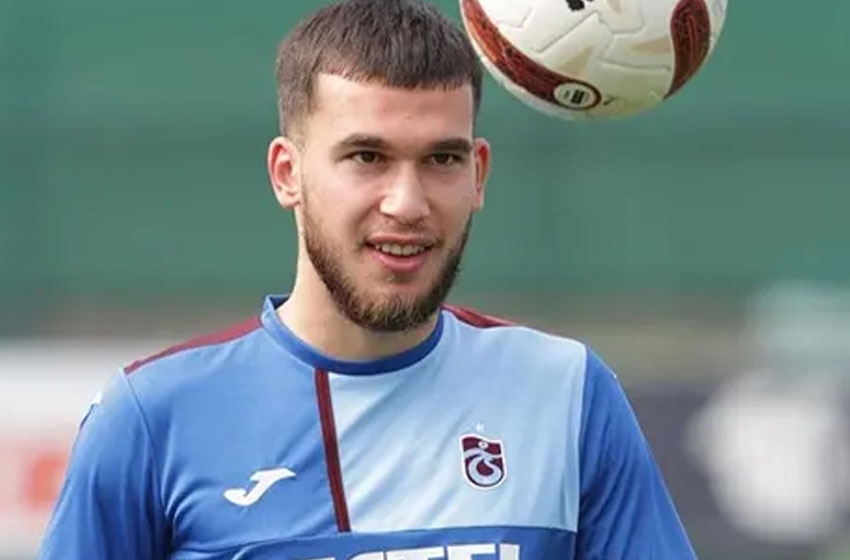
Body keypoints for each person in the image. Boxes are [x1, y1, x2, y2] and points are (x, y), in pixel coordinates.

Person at [39, 0, 697, 558]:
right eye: (366, 156)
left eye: (442, 159)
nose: (407, 203)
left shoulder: (567, 394)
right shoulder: (152, 420)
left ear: (479, 175)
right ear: (287, 174)